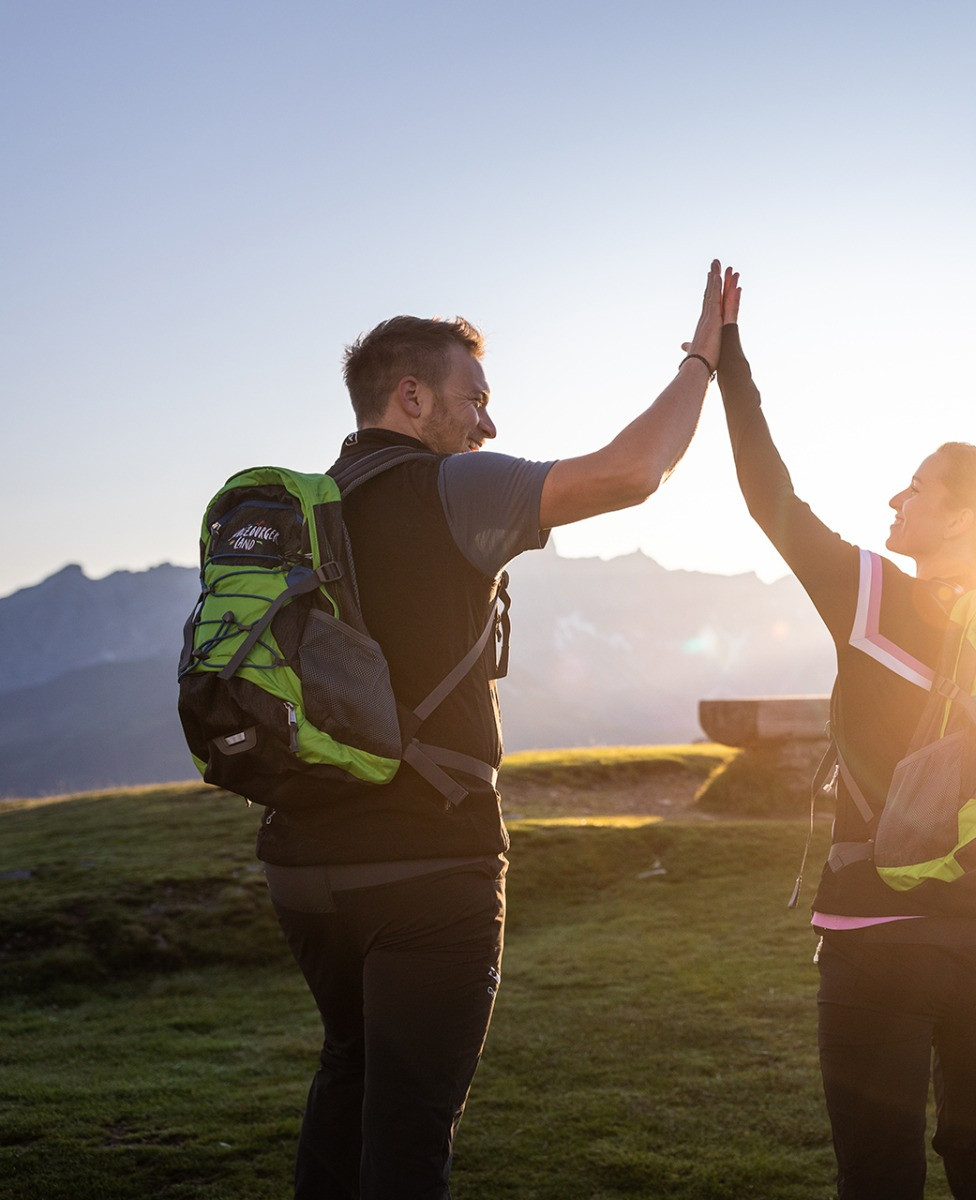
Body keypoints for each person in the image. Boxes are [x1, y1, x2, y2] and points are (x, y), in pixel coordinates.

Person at [259, 262, 726, 1198]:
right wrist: (701, 361)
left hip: (301, 869)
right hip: (426, 867)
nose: (488, 424)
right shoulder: (448, 487)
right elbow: (632, 471)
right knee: (409, 1134)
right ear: (411, 396)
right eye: (474, 398)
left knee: (347, 1075)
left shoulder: (300, 516)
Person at [714, 268, 976, 1200]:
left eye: (918, 488)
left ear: (960, 516)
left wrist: (725, 359)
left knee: (879, 1175)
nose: (897, 498)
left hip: (880, 932)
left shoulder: (873, 595)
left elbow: (769, 494)